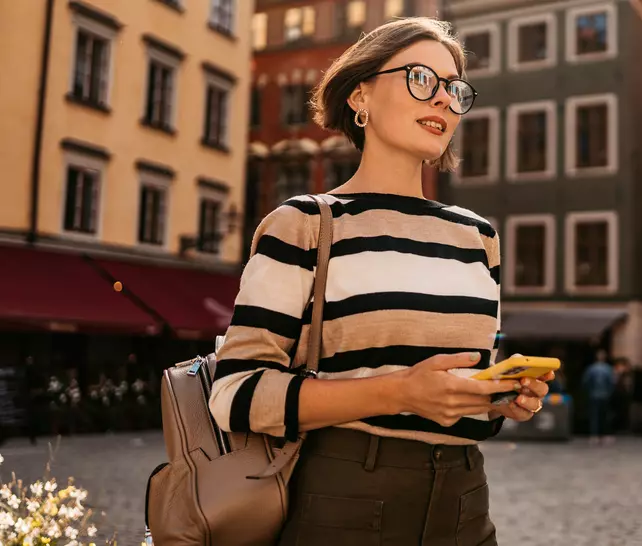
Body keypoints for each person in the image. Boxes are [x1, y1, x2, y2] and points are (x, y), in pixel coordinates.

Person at [207, 18, 552, 546]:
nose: (442, 100)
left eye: (454, 89)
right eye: (421, 79)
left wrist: (496, 400)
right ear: (361, 93)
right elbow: (235, 393)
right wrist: (399, 393)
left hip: (466, 505)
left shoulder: (477, 236)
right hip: (345, 501)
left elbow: (461, 392)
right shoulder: (304, 224)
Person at [583, 349, 616, 445]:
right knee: (605, 416)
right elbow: (612, 383)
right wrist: (609, 392)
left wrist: (589, 392)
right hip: (605, 395)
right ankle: (605, 434)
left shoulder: (591, 369)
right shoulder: (608, 369)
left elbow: (585, 382)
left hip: (593, 395)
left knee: (594, 416)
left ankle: (594, 435)